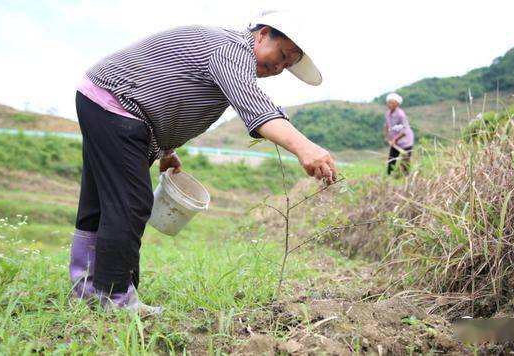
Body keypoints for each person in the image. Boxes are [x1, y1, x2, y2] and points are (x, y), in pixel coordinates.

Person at [69, 11, 337, 313]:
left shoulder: (227, 55)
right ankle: (114, 298)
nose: (278, 66)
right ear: (262, 35)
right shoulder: (231, 49)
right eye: (282, 54)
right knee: (130, 203)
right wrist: (305, 148)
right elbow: (254, 106)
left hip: (105, 100)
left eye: (286, 65)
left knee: (100, 203)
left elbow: (174, 94)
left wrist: (166, 150)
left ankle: (88, 290)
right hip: (117, 103)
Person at [383, 93, 414, 175]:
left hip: (406, 142)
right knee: (392, 160)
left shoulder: (401, 115)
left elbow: (405, 131)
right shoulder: (387, 114)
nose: (390, 105)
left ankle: (405, 178)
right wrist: (386, 137)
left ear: (397, 104)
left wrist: (395, 139)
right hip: (395, 142)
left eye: (392, 103)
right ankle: (389, 177)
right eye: (389, 103)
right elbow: (386, 126)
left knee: (405, 162)